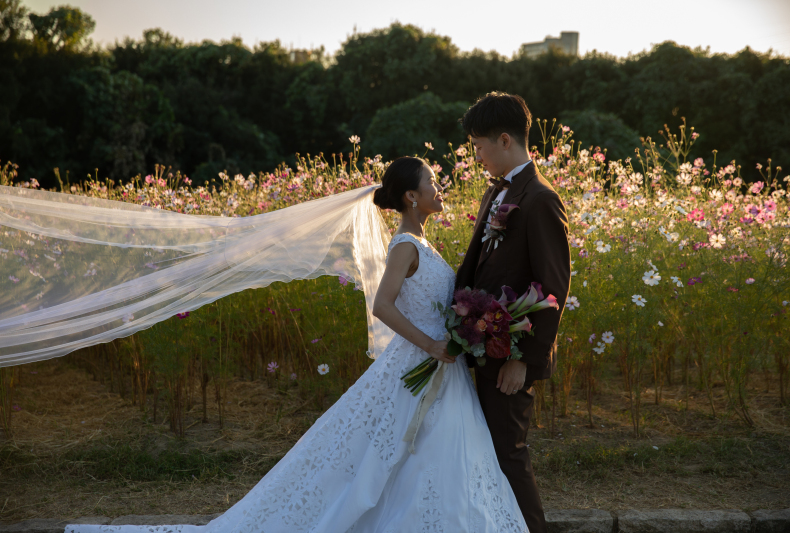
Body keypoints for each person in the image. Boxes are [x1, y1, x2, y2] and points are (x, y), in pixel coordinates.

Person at [66, 156, 529, 532]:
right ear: (412, 196)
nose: (439, 188)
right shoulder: (405, 244)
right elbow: (383, 307)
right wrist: (432, 345)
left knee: (428, 453)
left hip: (440, 369)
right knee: (386, 453)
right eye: (432, 181)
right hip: (421, 362)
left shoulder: (423, 244)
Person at [455, 92, 572, 533]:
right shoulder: (497, 191)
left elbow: (553, 287)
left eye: (479, 147)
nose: (477, 156)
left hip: (512, 356)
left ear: (505, 139)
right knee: (489, 452)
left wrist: (524, 359)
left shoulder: (540, 199)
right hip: (485, 346)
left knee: (508, 453)